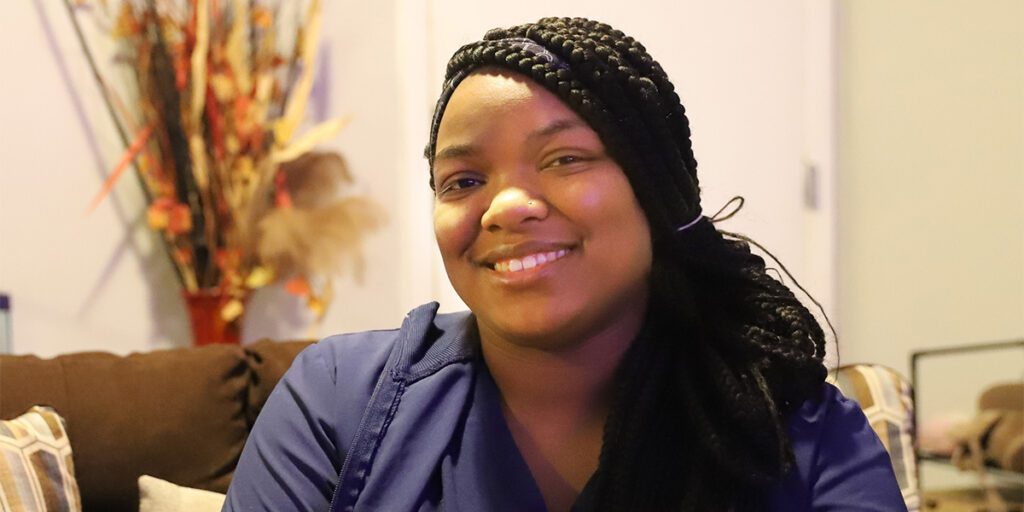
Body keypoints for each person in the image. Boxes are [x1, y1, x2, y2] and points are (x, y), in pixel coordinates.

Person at [224, 17, 906, 511]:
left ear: (657, 191)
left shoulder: (796, 429)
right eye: (464, 180)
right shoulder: (337, 402)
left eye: (565, 159)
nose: (505, 207)